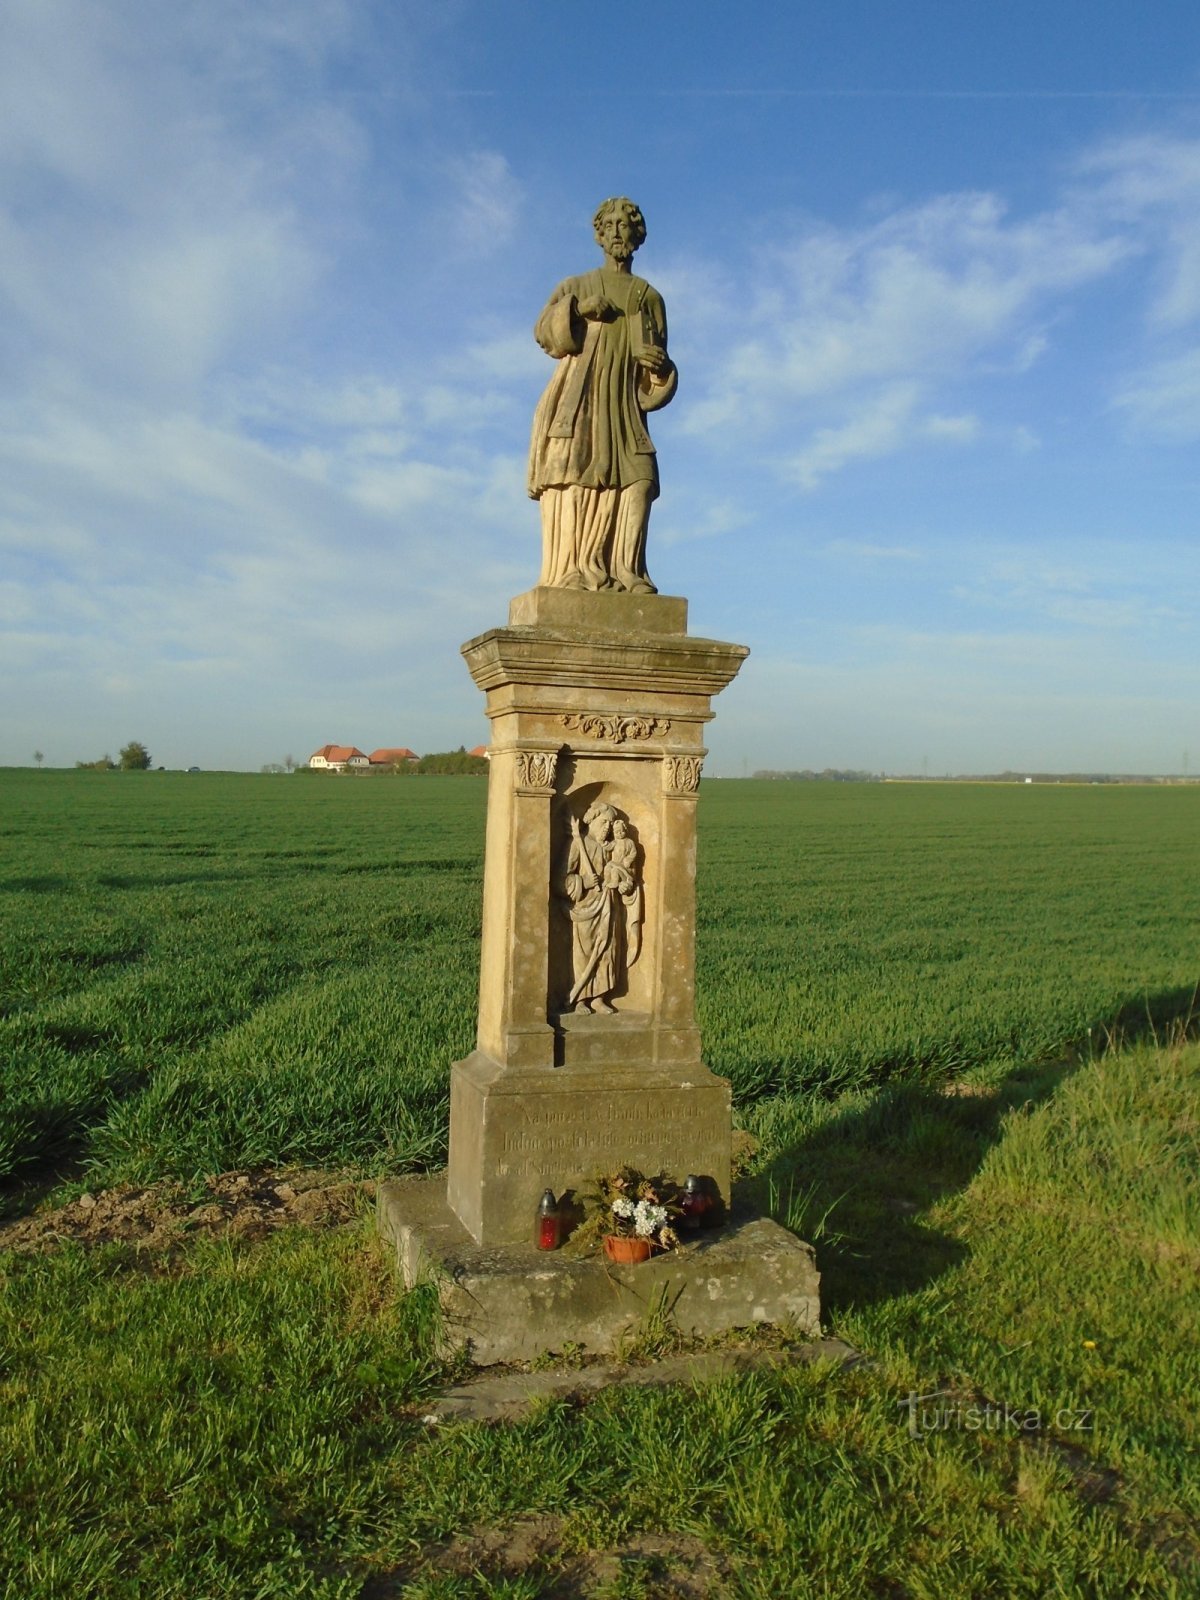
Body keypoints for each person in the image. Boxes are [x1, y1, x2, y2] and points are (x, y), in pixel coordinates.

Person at [528, 198, 676, 594]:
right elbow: (544, 332)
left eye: (624, 225)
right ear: (598, 234)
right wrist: (576, 310)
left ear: (636, 235)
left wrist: (659, 366)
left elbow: (657, 377)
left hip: (625, 408)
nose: (616, 232)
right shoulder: (575, 286)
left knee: (640, 480)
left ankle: (627, 571)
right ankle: (571, 571)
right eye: (608, 225)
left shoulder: (649, 298)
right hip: (579, 401)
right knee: (574, 476)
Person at [562, 802, 641, 1013]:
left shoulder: (610, 848)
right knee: (586, 952)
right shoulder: (578, 844)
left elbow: (620, 872)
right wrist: (584, 882)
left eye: (609, 823)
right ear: (592, 820)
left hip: (609, 905)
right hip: (586, 909)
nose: (607, 827)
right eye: (603, 822)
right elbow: (560, 879)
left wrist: (623, 884)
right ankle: (580, 998)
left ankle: (599, 997)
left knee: (609, 950)